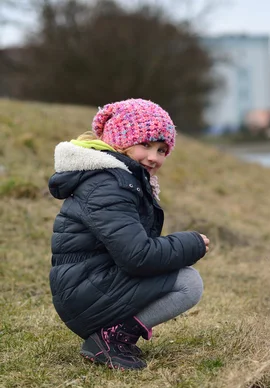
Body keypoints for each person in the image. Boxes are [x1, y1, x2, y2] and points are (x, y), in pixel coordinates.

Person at [48, 98, 209, 370]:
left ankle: (115, 333)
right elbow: (137, 256)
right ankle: (109, 339)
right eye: (145, 145)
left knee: (179, 276)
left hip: (90, 285)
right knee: (188, 283)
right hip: (83, 292)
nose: (154, 157)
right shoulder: (108, 186)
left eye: (161, 149)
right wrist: (191, 244)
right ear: (118, 141)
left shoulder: (119, 180)